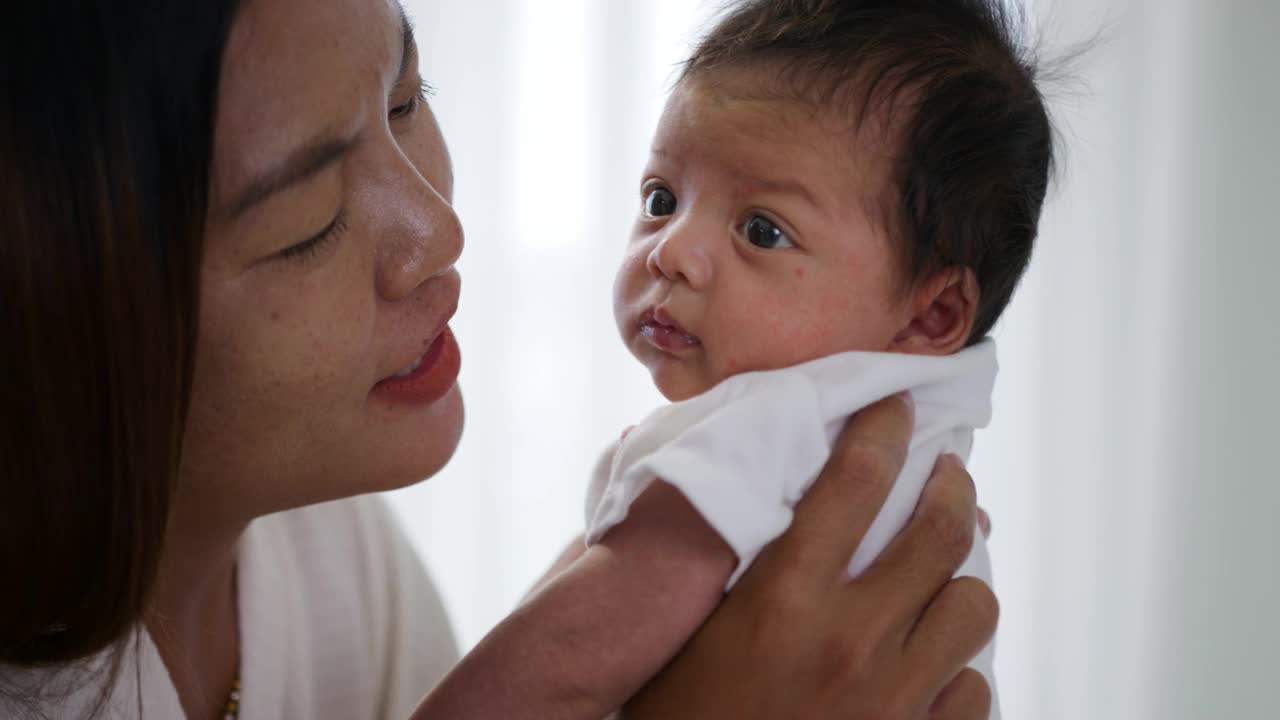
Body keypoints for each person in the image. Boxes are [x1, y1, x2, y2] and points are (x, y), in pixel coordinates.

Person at [0, 0, 997, 718]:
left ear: (936, 309)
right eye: (306, 224)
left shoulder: (334, 557)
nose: (440, 231)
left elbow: (567, 651)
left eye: (404, 100)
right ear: (60, 307)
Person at [413, 1, 1050, 718]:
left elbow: (573, 654)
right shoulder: (924, 448)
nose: (670, 250)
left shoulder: (781, 423)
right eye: (662, 196)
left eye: (761, 230)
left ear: (932, 313)